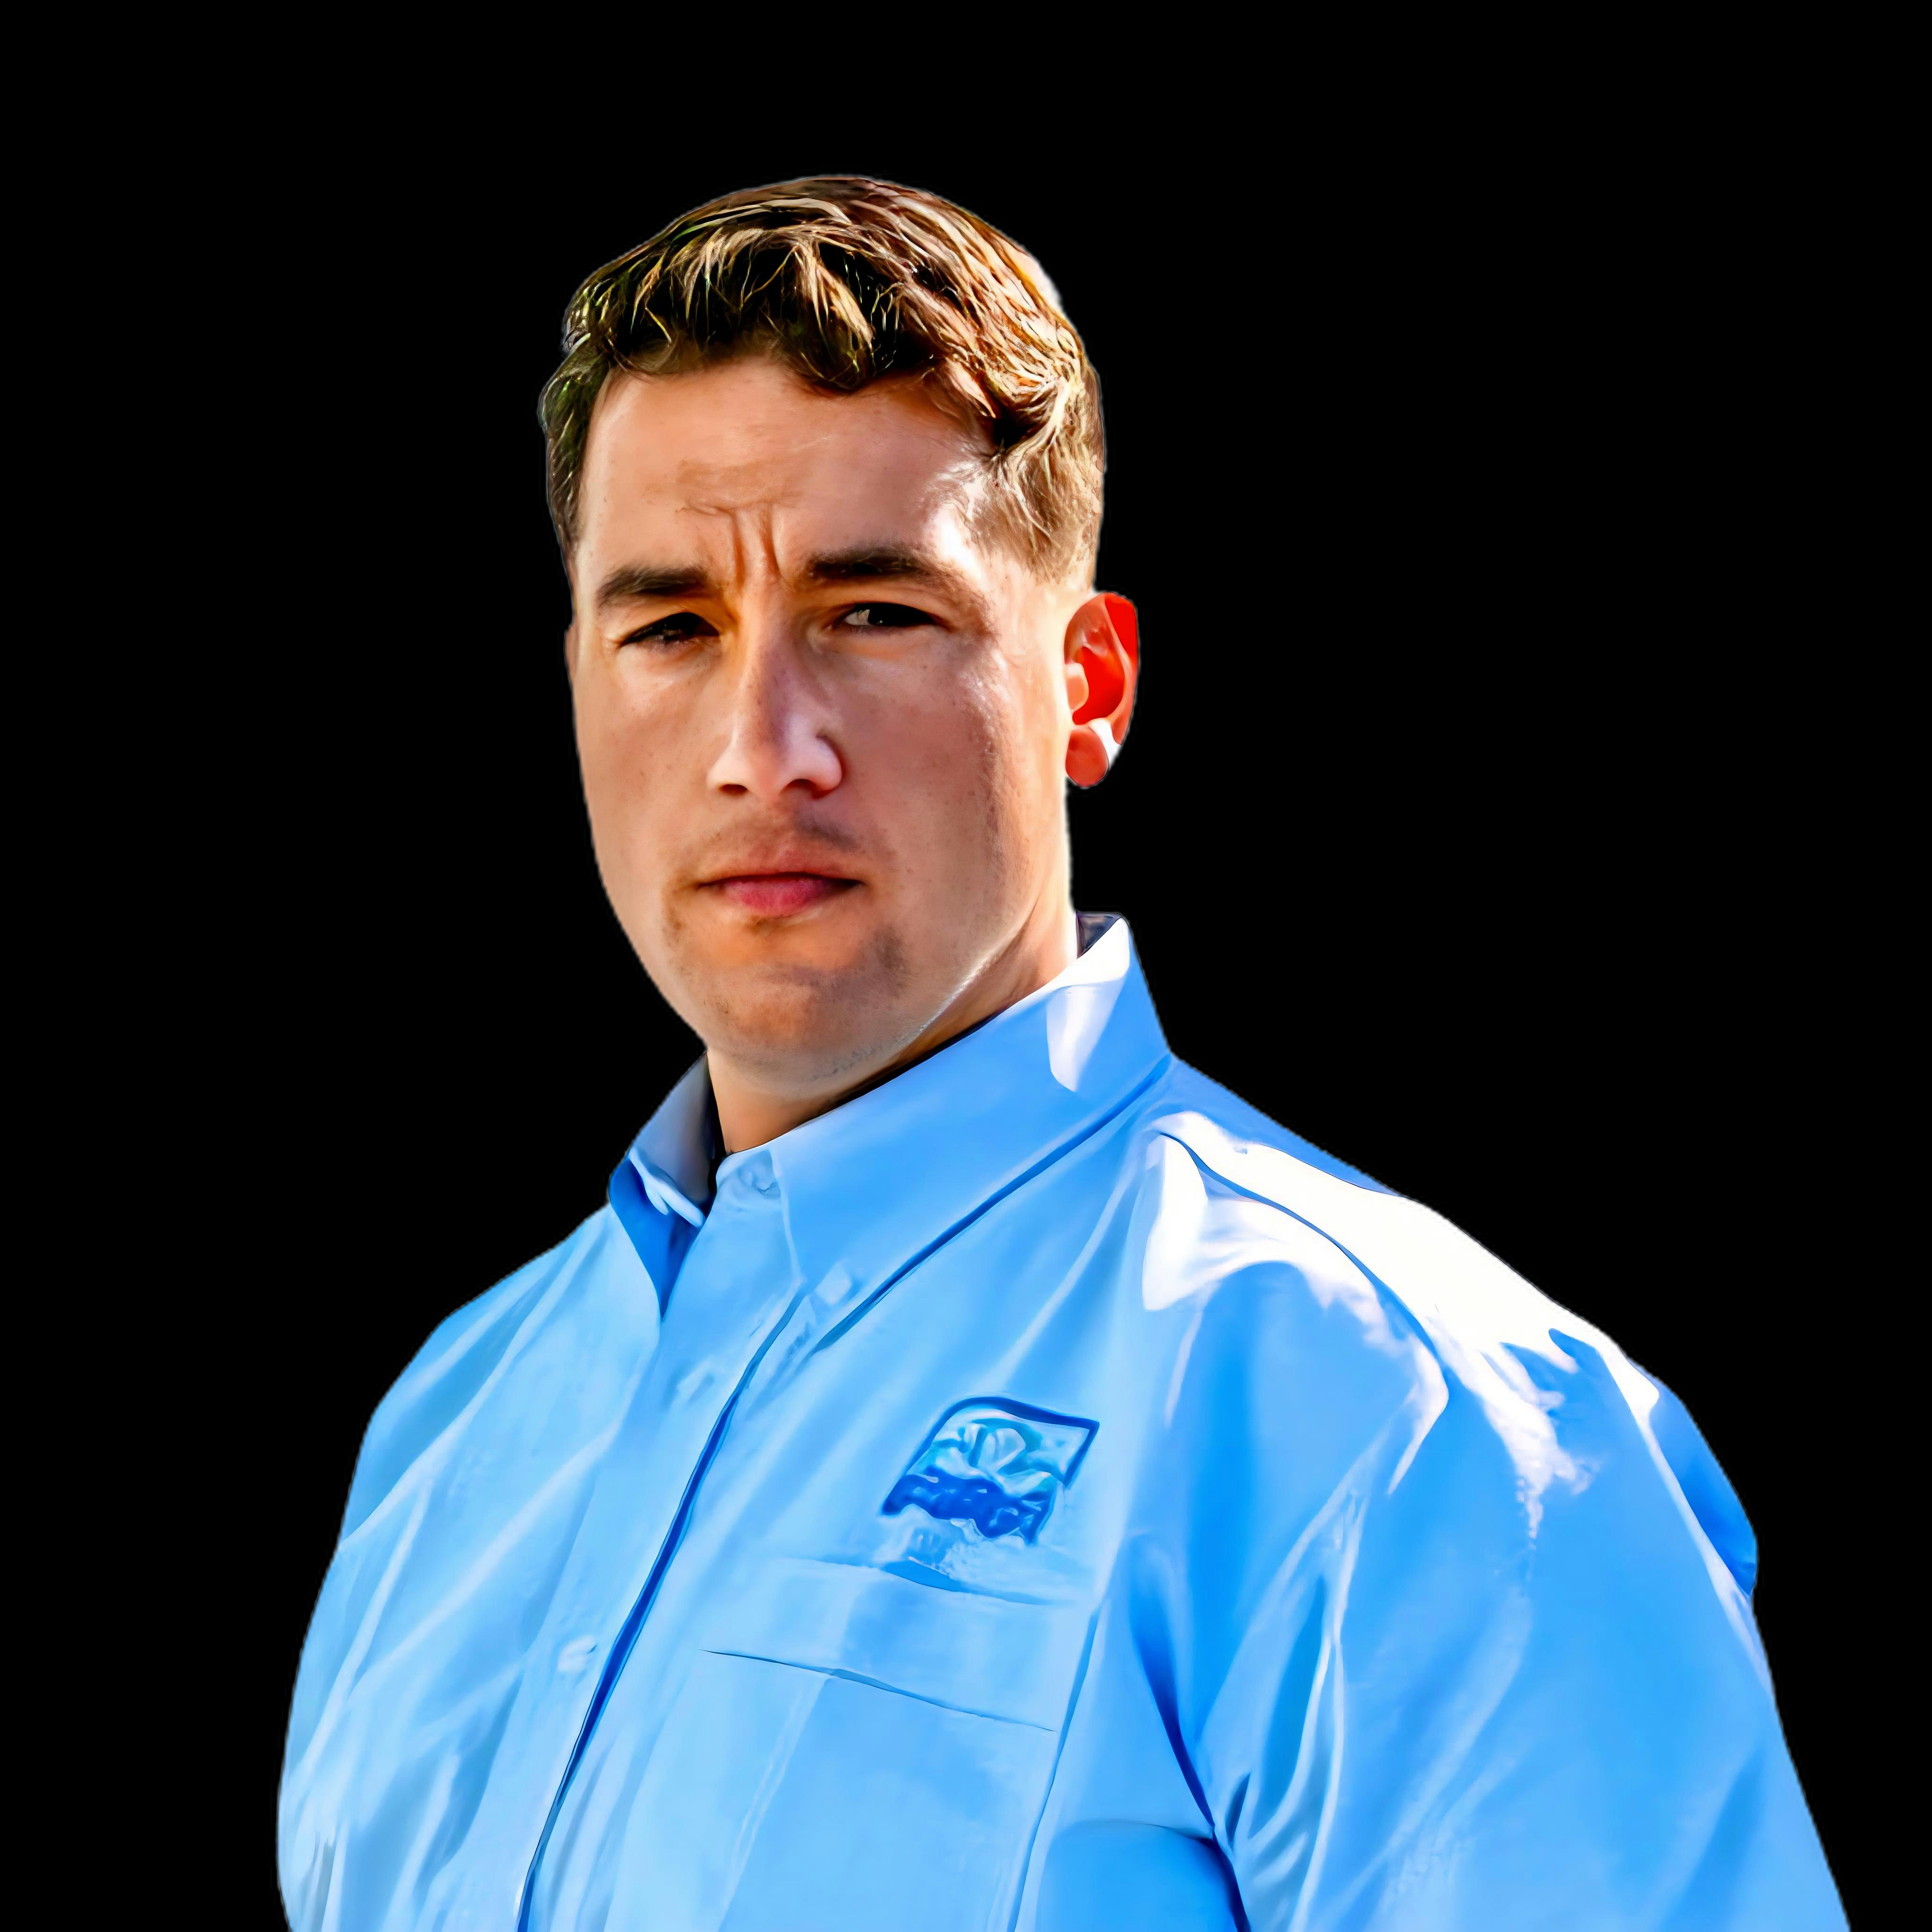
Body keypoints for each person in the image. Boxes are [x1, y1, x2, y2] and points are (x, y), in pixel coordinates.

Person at [278, 177, 1844, 1932]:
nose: (762, 749)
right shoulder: (454, 1424)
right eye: (670, 628)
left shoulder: (1410, 1428)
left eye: (876, 612)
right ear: (577, 680)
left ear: (1089, 684)